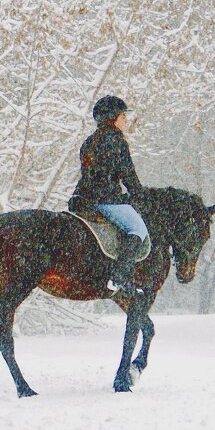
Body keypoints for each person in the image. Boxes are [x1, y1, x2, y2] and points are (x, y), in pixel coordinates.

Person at [68, 95, 148, 294]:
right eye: (123, 116)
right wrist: (140, 197)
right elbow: (128, 175)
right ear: (112, 118)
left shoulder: (89, 141)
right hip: (106, 200)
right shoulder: (117, 141)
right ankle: (120, 277)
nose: (126, 121)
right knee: (137, 228)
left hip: (82, 199)